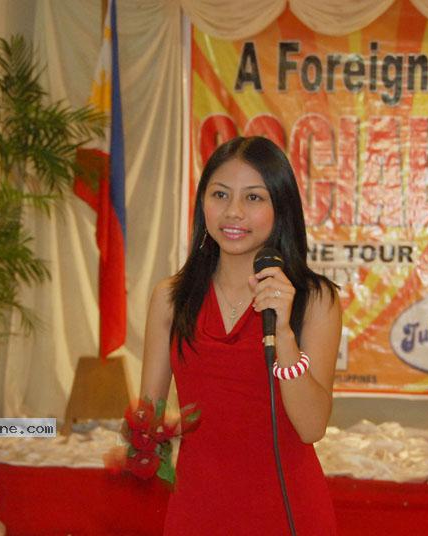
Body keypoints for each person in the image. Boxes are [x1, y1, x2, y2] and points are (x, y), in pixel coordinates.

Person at [139, 136, 341, 534]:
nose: (233, 212)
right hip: (198, 509)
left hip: (286, 509)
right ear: (203, 204)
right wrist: (140, 441)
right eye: (220, 194)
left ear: (279, 207)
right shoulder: (171, 298)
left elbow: (312, 426)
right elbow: (149, 417)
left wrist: (282, 332)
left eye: (253, 198)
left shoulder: (315, 300)